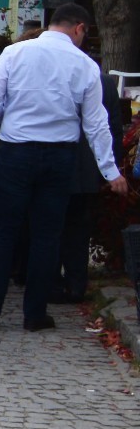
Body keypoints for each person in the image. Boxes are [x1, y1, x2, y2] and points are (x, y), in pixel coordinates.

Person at [0, 3, 129, 332]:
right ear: (79, 28)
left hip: (15, 152)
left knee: (3, 233)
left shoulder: (14, 53)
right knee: (47, 236)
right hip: (59, 156)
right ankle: (35, 314)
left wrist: (4, 122)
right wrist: (111, 171)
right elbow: (96, 125)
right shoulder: (84, 65)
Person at [60, 68, 130, 301]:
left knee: (48, 227)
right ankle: (76, 284)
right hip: (87, 166)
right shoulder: (103, 82)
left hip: (55, 163)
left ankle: (48, 281)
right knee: (78, 229)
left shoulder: (49, 75)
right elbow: (113, 130)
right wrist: (110, 169)